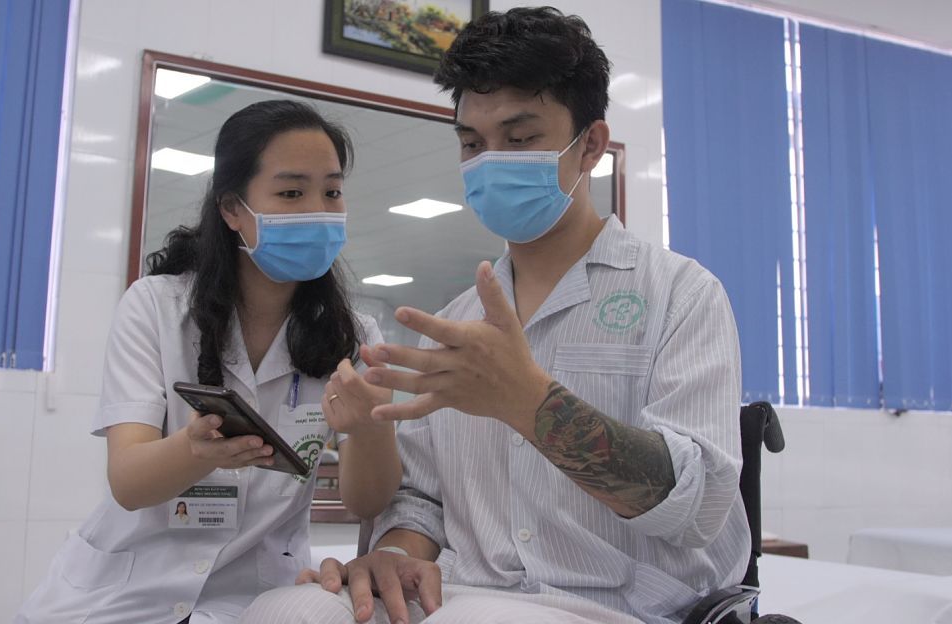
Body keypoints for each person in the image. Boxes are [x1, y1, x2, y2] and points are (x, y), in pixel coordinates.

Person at [242, 7, 747, 624]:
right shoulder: (456, 322)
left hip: (620, 607)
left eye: (521, 137)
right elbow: (421, 497)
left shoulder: (681, 295)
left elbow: (700, 506)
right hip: (464, 594)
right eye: (472, 144)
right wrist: (396, 555)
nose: (490, 161)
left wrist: (529, 403)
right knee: (283, 610)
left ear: (589, 144)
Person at [16, 100, 401, 623]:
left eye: (331, 192)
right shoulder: (156, 307)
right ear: (232, 208)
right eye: (291, 192)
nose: (317, 210)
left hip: (256, 598)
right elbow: (129, 483)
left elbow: (365, 502)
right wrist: (195, 450)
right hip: (121, 596)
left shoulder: (353, 337)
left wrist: (373, 430)